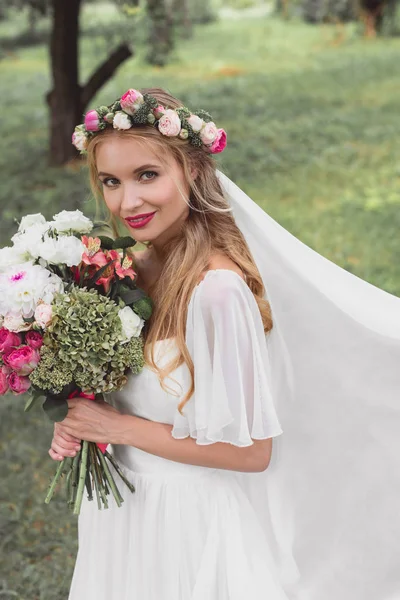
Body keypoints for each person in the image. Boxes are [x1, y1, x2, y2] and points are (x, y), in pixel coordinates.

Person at [49, 87, 400, 600]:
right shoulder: (126, 271)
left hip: (188, 526)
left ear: (190, 171)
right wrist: (80, 419)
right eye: (111, 181)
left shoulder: (217, 291)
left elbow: (252, 453)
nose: (129, 202)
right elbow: (126, 391)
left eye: (148, 175)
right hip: (123, 513)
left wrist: (115, 426)